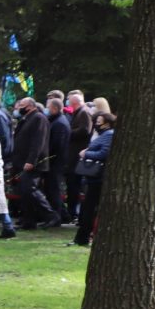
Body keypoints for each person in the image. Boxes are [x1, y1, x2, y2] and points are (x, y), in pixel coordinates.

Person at [11, 96, 61, 230]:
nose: (19, 108)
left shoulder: (39, 118)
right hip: (22, 161)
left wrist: (31, 160)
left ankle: (51, 215)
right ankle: (28, 221)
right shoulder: (26, 119)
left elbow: (38, 142)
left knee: (30, 189)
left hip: (33, 162)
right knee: (24, 192)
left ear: (30, 106)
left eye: (22, 105)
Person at [72, 112, 115, 247]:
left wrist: (86, 153)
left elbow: (104, 154)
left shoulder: (108, 135)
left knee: (89, 208)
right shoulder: (104, 135)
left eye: (99, 121)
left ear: (107, 123)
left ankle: (83, 237)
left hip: (98, 178)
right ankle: (82, 237)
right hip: (93, 178)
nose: (96, 124)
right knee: (88, 208)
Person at [64, 89, 92, 222]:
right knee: (72, 184)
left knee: (75, 185)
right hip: (73, 154)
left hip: (77, 155)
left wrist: (68, 132)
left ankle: (73, 212)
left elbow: (85, 130)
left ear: (73, 103)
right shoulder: (78, 113)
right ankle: (71, 211)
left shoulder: (84, 113)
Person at [44, 93, 70, 222]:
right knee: (52, 189)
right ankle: (62, 215)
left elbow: (56, 145)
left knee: (54, 190)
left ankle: (56, 217)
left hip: (56, 162)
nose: (47, 110)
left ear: (54, 108)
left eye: (49, 108)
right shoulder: (57, 121)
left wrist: (46, 156)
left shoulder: (59, 124)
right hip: (54, 161)